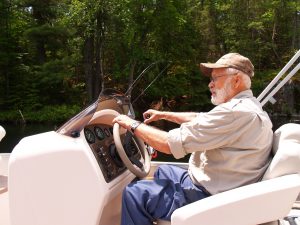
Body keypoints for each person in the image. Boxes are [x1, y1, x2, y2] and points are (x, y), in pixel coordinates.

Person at [113, 53, 273, 225]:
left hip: (212, 198)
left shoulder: (235, 112)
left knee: (135, 194)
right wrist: (164, 115)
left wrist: (132, 124)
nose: (210, 84)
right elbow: (201, 118)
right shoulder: (249, 106)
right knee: (163, 170)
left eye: (215, 78)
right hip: (221, 186)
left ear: (236, 80)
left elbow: (168, 144)